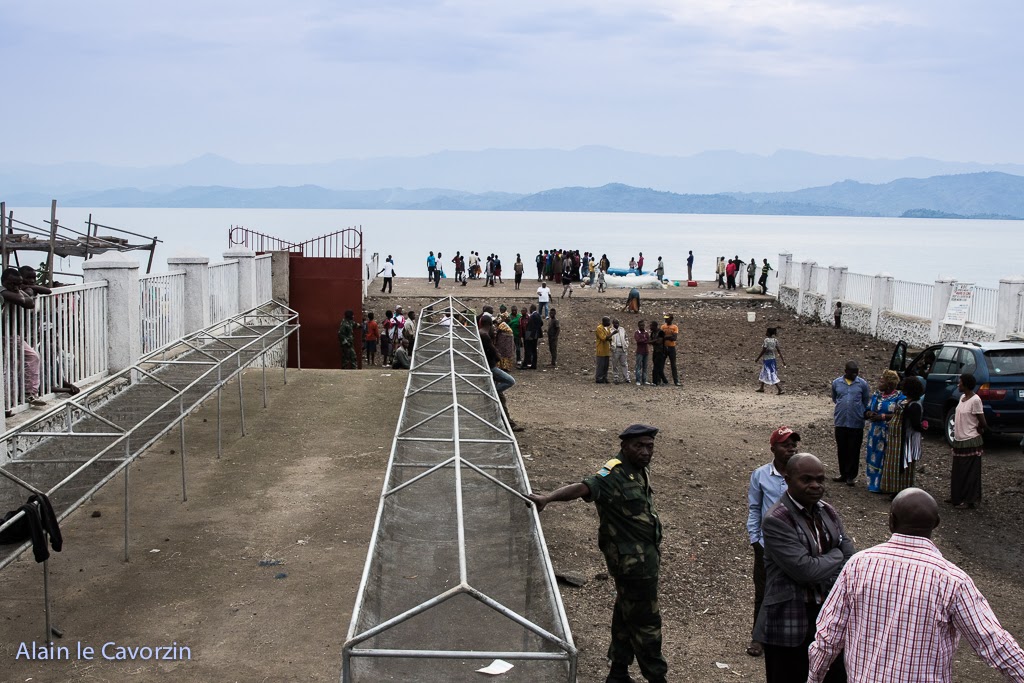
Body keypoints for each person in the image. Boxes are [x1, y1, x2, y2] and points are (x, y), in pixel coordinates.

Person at [807, 488, 1024, 683]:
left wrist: (814, 678)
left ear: (891, 521)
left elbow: (828, 636)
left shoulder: (858, 565)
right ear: (936, 523)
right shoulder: (952, 581)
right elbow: (993, 642)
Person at [528, 424, 668, 683]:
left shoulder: (638, 470)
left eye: (649, 446)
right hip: (632, 565)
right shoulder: (612, 473)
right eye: (638, 446)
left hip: (645, 559)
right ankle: (657, 678)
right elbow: (583, 487)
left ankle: (618, 673)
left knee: (625, 613)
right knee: (647, 623)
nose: (645, 451)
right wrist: (547, 498)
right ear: (624, 446)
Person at [754, 453, 854, 683]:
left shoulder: (827, 511)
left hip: (826, 618)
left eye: (820, 479)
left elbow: (851, 559)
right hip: (788, 623)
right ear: (788, 479)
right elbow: (805, 571)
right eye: (807, 479)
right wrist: (836, 554)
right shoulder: (776, 519)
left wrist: (827, 562)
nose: (816, 485)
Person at [745, 426, 800, 659]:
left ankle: (788, 636)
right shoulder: (760, 475)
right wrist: (755, 539)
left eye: (793, 445)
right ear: (773, 448)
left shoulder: (801, 473)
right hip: (766, 545)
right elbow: (754, 507)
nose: (791, 449)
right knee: (763, 590)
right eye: (785, 445)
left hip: (796, 545)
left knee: (794, 590)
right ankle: (758, 637)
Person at [1, 268, 47, 407]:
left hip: (11, 335)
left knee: (15, 366)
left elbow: (30, 301)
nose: (16, 287)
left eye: (18, 284)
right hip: (6, 335)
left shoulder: (13, 290)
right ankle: (13, 400)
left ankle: (17, 399)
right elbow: (26, 302)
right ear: (4, 282)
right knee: (15, 365)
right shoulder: (3, 291)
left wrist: (24, 289)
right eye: (13, 284)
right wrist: (24, 290)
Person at [880, 375, 926, 495]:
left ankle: (902, 490)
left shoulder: (914, 405)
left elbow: (915, 424)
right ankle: (894, 489)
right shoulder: (905, 401)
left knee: (902, 465)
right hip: (896, 439)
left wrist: (923, 427)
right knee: (894, 465)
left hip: (904, 440)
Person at [949, 372, 987, 509]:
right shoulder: (962, 398)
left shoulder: (975, 400)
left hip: (970, 439)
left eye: (960, 382)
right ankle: (957, 496)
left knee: (969, 472)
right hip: (960, 439)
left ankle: (969, 500)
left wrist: (980, 429)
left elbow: (982, 421)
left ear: (966, 385)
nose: (958, 384)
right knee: (958, 471)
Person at [863, 370, 904, 493]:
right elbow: (867, 410)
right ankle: (873, 484)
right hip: (874, 433)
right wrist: (870, 413)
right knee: (873, 455)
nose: (879, 384)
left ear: (889, 384)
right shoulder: (877, 395)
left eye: (882, 382)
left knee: (886, 458)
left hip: (889, 433)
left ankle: (884, 485)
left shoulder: (899, 397)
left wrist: (883, 417)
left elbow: (901, 414)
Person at [479, 314, 522, 431]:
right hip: (491, 368)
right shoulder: (485, 335)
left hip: (487, 369)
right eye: (493, 325)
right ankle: (507, 423)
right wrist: (498, 357)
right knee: (509, 382)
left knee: (500, 398)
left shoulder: (481, 334)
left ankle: (507, 423)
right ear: (489, 323)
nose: (494, 328)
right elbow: (495, 353)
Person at [831, 361, 871, 486]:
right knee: (842, 449)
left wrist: (859, 411)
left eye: (856, 373)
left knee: (854, 450)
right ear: (845, 371)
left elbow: (865, 400)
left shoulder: (862, 384)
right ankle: (843, 474)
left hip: (856, 422)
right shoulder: (836, 383)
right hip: (841, 421)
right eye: (852, 373)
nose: (854, 375)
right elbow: (835, 398)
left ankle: (851, 476)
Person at [754, 327, 785, 395]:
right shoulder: (775, 340)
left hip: (767, 359)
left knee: (771, 373)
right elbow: (778, 350)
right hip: (773, 359)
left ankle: (779, 389)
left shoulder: (766, 340)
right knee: (764, 372)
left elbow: (764, 350)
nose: (765, 333)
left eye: (766, 331)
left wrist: (757, 358)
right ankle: (762, 387)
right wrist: (783, 360)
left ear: (768, 333)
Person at [660, 314, 679, 386]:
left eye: (667, 318)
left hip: (671, 347)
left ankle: (676, 381)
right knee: (661, 364)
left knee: (673, 365)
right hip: (664, 347)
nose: (666, 319)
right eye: (665, 318)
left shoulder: (675, 327)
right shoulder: (663, 327)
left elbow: (674, 338)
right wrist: (670, 336)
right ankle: (662, 380)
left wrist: (665, 337)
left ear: (671, 319)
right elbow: (661, 337)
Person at [523, 305, 542, 370]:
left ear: (531, 309)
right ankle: (533, 364)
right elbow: (541, 323)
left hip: (532, 334)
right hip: (535, 334)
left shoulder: (534, 316)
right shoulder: (538, 315)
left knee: (530, 349)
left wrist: (531, 335)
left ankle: (529, 364)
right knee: (534, 350)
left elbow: (533, 326)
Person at [610, 319, 630, 384]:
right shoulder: (610, 330)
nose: (617, 325)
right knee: (615, 364)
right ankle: (616, 378)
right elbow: (609, 339)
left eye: (618, 323)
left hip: (623, 348)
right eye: (615, 323)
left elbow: (626, 337)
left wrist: (626, 345)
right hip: (615, 349)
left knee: (624, 364)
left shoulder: (622, 329)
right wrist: (611, 347)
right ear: (613, 323)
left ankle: (626, 378)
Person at [595, 316, 612, 384]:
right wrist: (612, 334)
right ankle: (599, 378)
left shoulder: (607, 328)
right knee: (600, 365)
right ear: (604, 322)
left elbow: (609, 338)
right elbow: (603, 338)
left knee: (606, 365)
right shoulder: (599, 328)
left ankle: (604, 377)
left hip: (606, 349)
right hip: (601, 349)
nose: (609, 323)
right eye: (608, 321)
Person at [649, 321, 667, 386]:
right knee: (659, 368)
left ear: (655, 326)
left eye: (651, 326)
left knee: (656, 368)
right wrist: (652, 341)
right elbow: (650, 340)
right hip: (655, 351)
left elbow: (659, 341)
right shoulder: (652, 333)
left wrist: (651, 342)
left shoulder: (661, 332)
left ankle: (655, 382)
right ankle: (665, 381)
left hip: (661, 352)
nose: (650, 327)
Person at [634, 320, 649, 387]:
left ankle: (644, 380)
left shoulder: (646, 332)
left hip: (646, 351)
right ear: (638, 326)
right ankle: (638, 380)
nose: (642, 326)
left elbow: (648, 340)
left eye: (643, 325)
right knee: (638, 366)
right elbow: (638, 340)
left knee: (645, 366)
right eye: (640, 325)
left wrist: (643, 340)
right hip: (639, 351)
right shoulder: (637, 333)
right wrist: (645, 340)